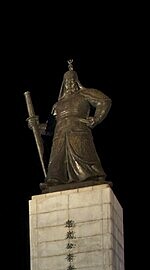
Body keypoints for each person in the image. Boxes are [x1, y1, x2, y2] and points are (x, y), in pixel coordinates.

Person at [29, 61, 111, 190]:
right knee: (56, 162)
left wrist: (96, 118)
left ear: (77, 82)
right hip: (60, 135)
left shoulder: (84, 94)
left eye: (73, 80)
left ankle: (92, 177)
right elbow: (50, 129)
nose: (70, 83)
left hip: (78, 131)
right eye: (67, 81)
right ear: (63, 84)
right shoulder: (57, 105)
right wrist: (36, 126)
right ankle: (55, 180)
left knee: (85, 156)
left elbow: (104, 101)